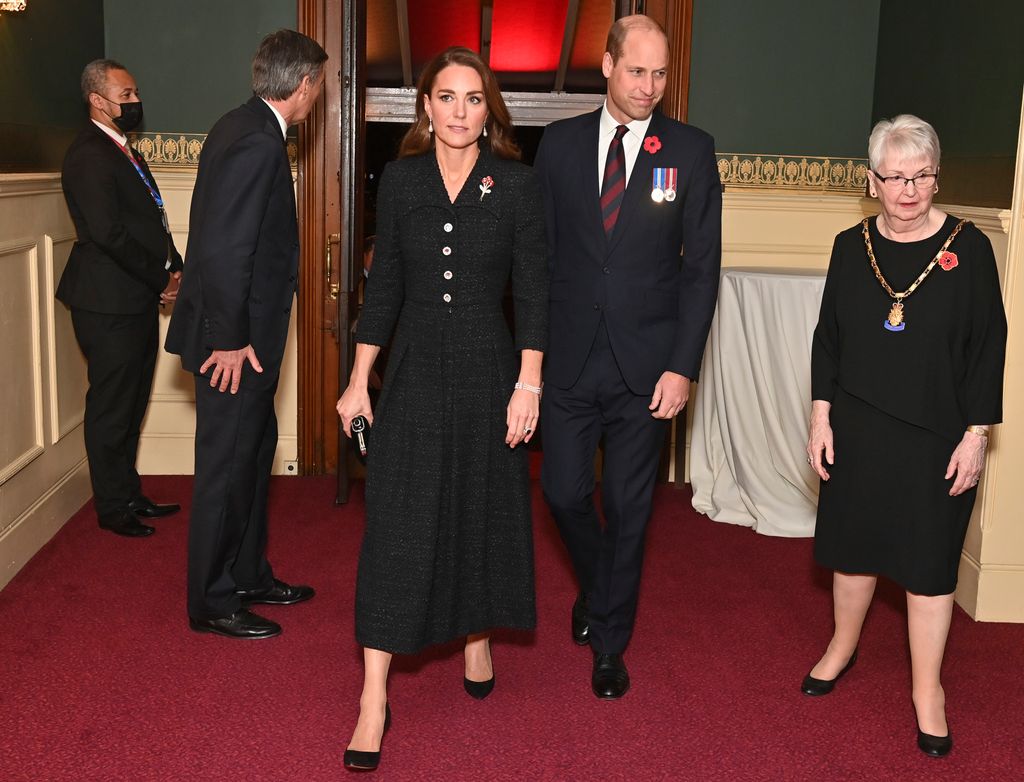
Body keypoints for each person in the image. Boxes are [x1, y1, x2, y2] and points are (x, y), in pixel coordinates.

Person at [335, 46, 548, 771]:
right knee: (397, 523)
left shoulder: (516, 187)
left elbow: (537, 292)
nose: (460, 112)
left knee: (479, 511)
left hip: (490, 371)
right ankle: (373, 699)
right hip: (417, 373)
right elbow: (385, 285)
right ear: (426, 106)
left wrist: (530, 382)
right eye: (447, 98)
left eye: (474, 99)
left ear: (490, 112)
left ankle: (476, 633)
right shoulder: (399, 181)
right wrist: (360, 378)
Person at [804, 114, 1007, 757]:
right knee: (854, 548)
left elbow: (987, 349)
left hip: (937, 437)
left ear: (936, 177)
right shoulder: (849, 244)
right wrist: (820, 414)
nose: (910, 189)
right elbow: (827, 339)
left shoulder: (968, 248)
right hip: (858, 427)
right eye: (895, 177)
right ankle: (841, 647)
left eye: (921, 175)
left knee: (927, 565)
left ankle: (928, 690)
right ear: (872, 181)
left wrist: (976, 435)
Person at [533, 15, 721, 699]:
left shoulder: (691, 152)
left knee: (630, 505)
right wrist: (531, 359)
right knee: (563, 492)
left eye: (660, 73)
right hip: (570, 358)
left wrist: (684, 365)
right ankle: (600, 584)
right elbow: (541, 259)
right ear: (607, 65)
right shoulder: (557, 146)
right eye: (636, 70)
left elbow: (702, 270)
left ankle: (609, 640)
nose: (649, 86)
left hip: (650, 367)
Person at [165, 30, 327, 639]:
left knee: (255, 452)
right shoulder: (258, 143)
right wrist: (229, 339)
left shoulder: (238, 126)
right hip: (238, 342)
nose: (317, 100)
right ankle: (211, 599)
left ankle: (249, 572)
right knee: (228, 465)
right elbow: (226, 248)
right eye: (319, 88)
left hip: (246, 336)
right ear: (304, 85)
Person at [58, 59, 184, 538]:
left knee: (133, 401)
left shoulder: (123, 149)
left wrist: (175, 266)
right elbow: (108, 234)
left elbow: (151, 216)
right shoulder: (89, 155)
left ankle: (129, 493)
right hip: (106, 301)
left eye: (134, 94)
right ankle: (112, 508)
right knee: (112, 405)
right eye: (125, 95)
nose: (134, 103)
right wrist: (160, 279)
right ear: (97, 100)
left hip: (133, 298)